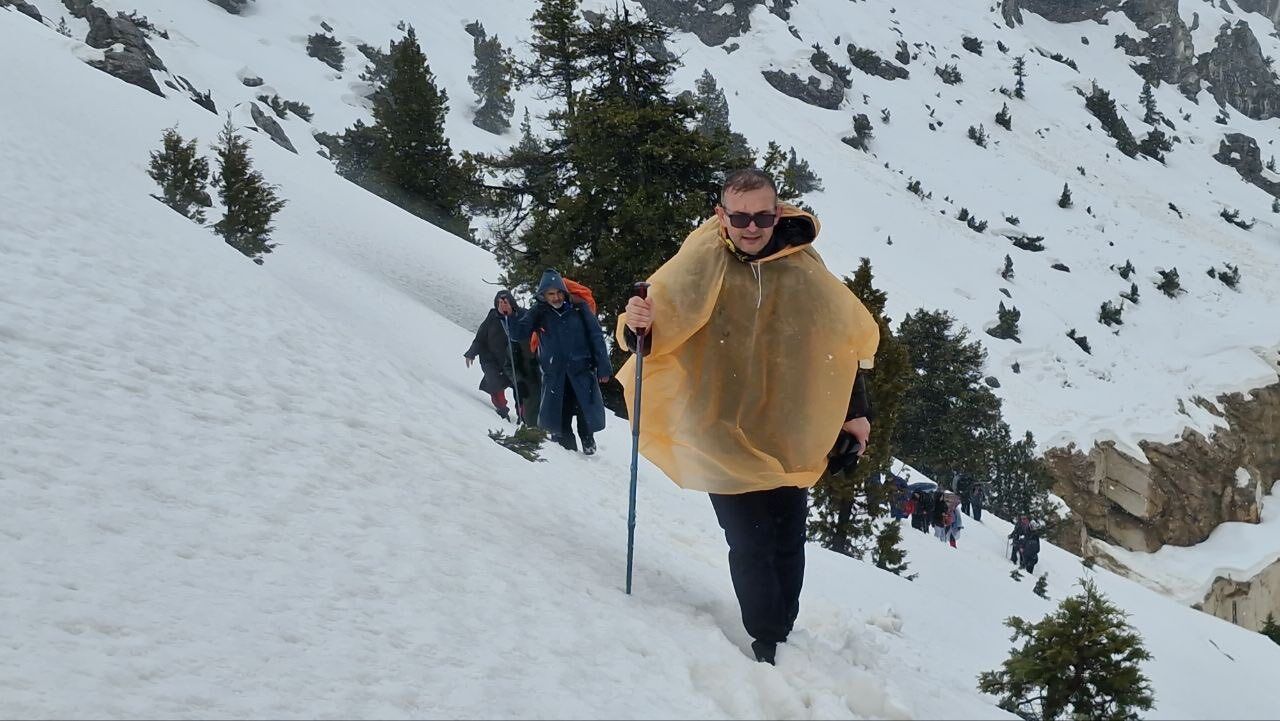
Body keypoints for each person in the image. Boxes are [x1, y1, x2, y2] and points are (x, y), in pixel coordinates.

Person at [616, 168, 880, 666]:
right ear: (722, 215)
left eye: (762, 216)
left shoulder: (802, 264)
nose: (752, 227)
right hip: (717, 423)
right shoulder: (700, 261)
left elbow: (836, 343)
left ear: (777, 213)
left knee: (787, 536)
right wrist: (637, 326)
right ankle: (767, 642)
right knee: (750, 540)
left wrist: (856, 413)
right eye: (740, 217)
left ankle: (782, 630)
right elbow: (650, 333)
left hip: (784, 424)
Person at [513, 269, 611, 454]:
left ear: (564, 292)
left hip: (582, 370)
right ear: (543, 295)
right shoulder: (539, 312)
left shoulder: (579, 309)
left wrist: (603, 366)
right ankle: (570, 456)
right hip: (556, 375)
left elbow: (596, 336)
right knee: (560, 416)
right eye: (551, 294)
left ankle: (588, 441)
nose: (556, 297)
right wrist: (509, 316)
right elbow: (519, 333)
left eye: (559, 292)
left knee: (585, 411)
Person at [464, 290, 534, 422]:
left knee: (521, 388)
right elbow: (481, 338)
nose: (502, 305)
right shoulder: (492, 317)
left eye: (505, 302)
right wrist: (471, 353)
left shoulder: (522, 316)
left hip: (516, 360)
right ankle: (502, 409)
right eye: (499, 303)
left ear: (512, 303)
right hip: (491, 359)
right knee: (494, 383)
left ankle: (524, 417)